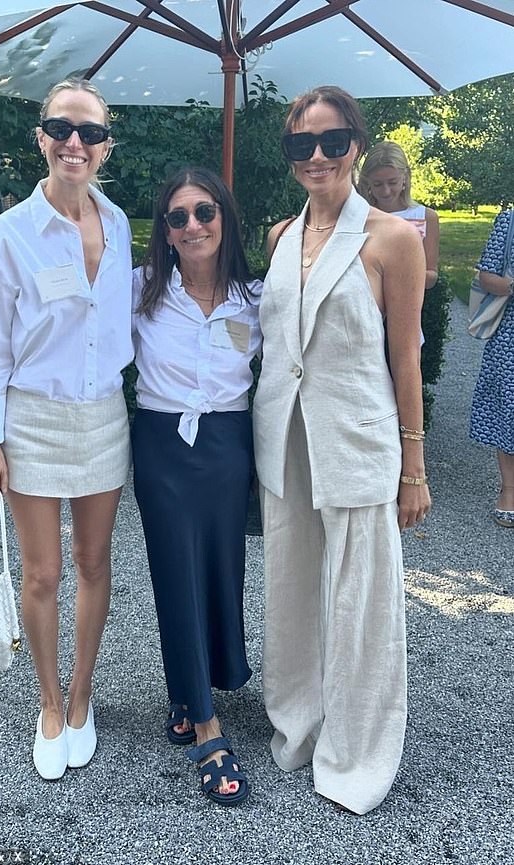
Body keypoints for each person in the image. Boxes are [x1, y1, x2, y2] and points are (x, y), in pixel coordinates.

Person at [0, 79, 133, 781]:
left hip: (104, 418)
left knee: (93, 564)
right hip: (32, 421)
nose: (74, 142)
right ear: (42, 138)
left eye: (88, 131)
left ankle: (83, 696)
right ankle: (49, 704)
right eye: (61, 128)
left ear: (106, 143)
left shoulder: (118, 226)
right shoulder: (8, 234)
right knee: (44, 572)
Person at [252, 86, 431, 814]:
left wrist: (413, 467)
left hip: (357, 440)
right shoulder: (275, 236)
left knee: (361, 606)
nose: (318, 156)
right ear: (291, 154)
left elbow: (407, 360)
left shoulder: (392, 239)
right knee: (291, 591)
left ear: (356, 143)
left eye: (332, 141)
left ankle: (357, 750)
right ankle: (298, 722)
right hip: (285, 438)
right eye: (303, 144)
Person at [131, 166, 262, 806]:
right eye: (177, 216)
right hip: (162, 446)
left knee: (220, 568)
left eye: (204, 212)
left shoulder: (256, 297)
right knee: (174, 572)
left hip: (229, 447)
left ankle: (190, 689)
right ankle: (207, 725)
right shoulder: (140, 292)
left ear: (225, 218)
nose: (192, 226)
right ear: (165, 228)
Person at [470, 209, 514, 527]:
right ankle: (509, 491)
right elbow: (486, 276)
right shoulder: (509, 222)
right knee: (506, 412)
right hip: (509, 338)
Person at [358, 141, 440, 291]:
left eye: (392, 182)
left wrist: (393, 276)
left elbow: (431, 276)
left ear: (405, 177)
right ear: (367, 182)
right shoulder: (358, 216)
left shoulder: (426, 217)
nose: (386, 191)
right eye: (378, 184)